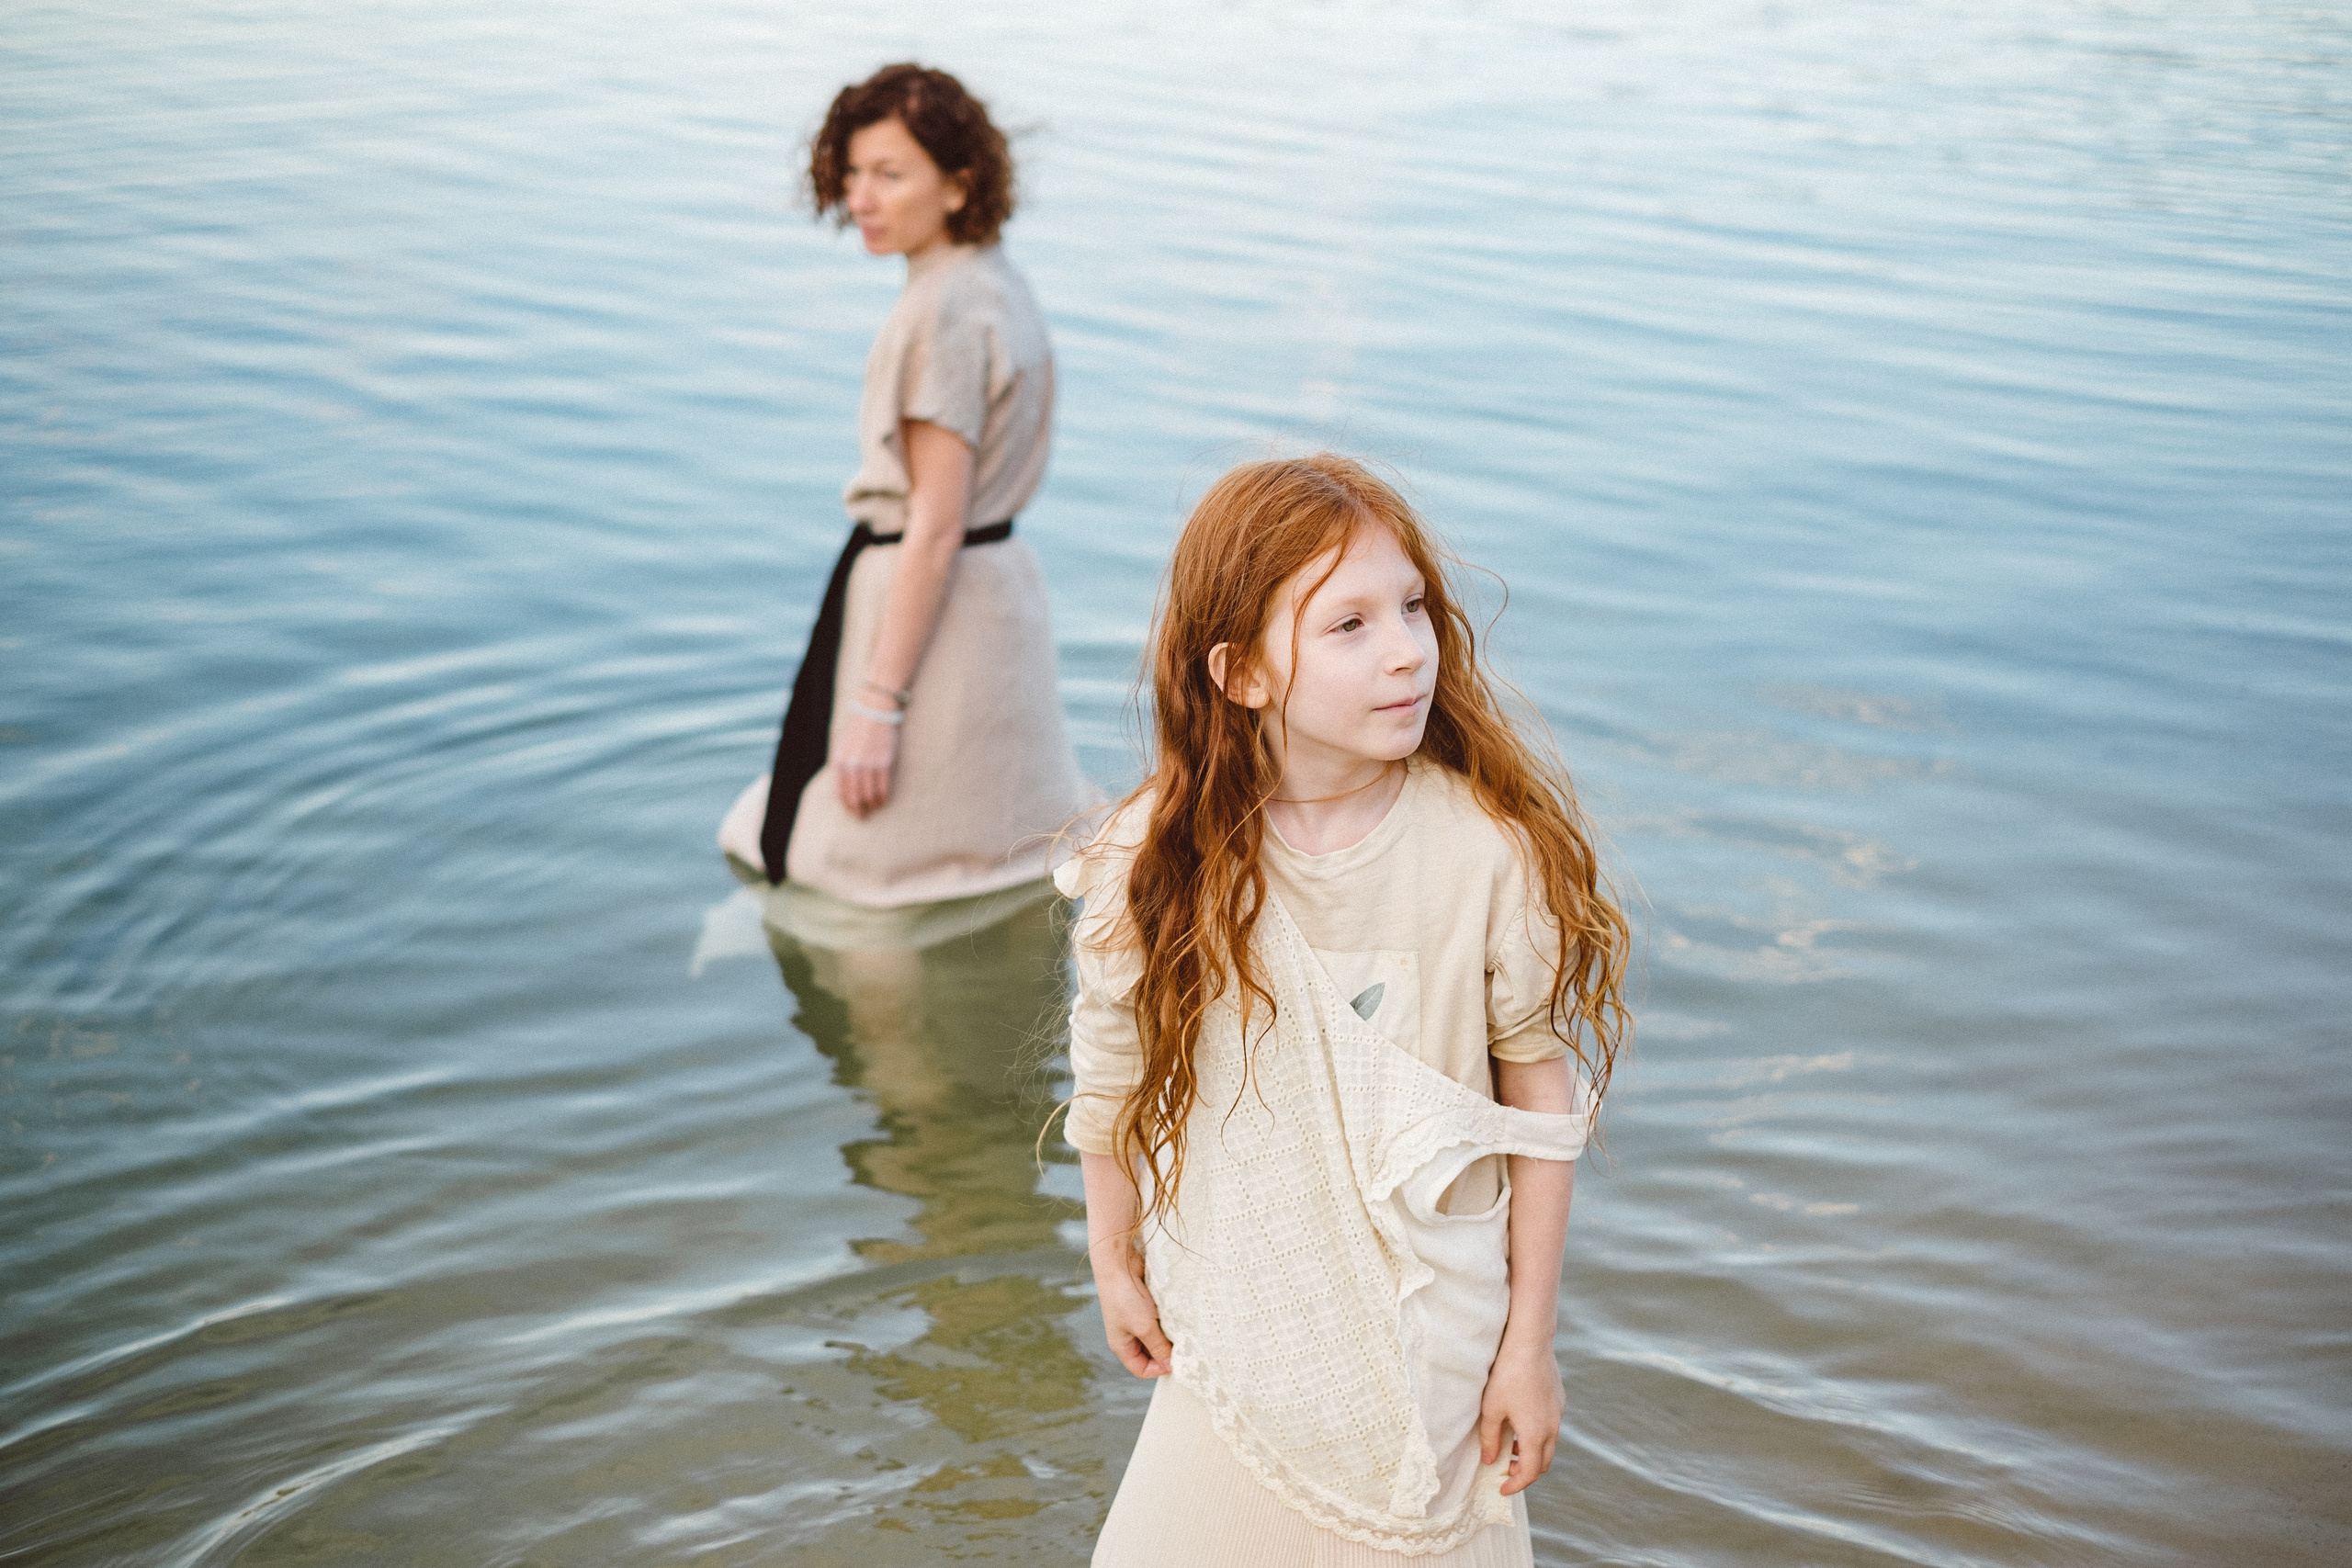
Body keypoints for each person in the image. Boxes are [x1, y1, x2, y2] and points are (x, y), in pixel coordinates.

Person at [1054, 456, 1634, 1564]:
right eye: (1349, 625)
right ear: (1241, 675)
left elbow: (1541, 1101)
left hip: (1435, 1338)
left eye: (1412, 606)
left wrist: (1529, 1345)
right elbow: (1110, 1070)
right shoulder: (1157, 861)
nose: (1408, 649)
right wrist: (1114, 1255)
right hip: (1246, 1306)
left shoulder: (1481, 853)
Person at [719, 62, 1097, 908]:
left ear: (959, 185)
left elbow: (933, 521)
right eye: (853, 172)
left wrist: (877, 706)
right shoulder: (998, 279)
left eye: (890, 174)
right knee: (1012, 848)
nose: (861, 196)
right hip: (1000, 595)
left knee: (853, 868)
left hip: (938, 600)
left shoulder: (942, 312)